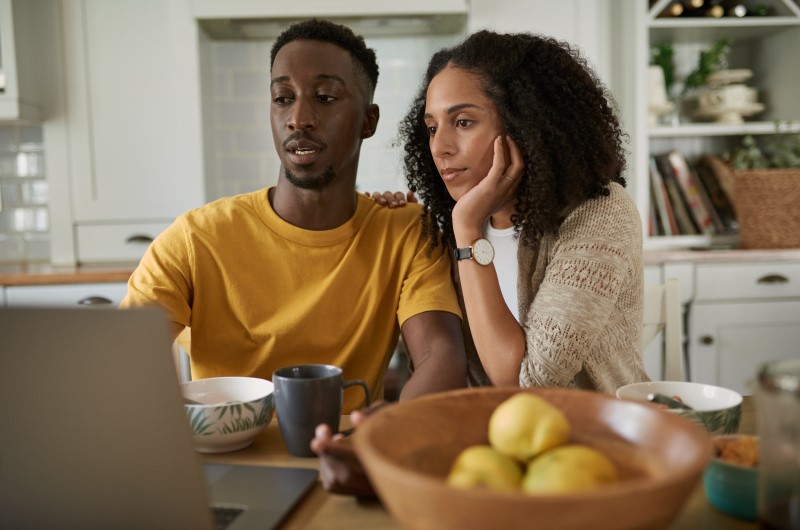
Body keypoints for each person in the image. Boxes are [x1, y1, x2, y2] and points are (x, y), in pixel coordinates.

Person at [313, 28, 649, 497]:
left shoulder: (599, 213)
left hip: (599, 462)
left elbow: (527, 382)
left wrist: (467, 232)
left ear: (527, 122)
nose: (440, 147)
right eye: (432, 127)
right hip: (491, 464)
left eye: (463, 122)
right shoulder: (444, 224)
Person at [120, 18, 467, 414]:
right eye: (283, 98)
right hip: (226, 461)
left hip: (345, 456)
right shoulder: (195, 238)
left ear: (367, 121)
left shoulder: (407, 231)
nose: (298, 118)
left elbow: (441, 356)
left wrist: (392, 424)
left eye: (325, 97)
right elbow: (122, 362)